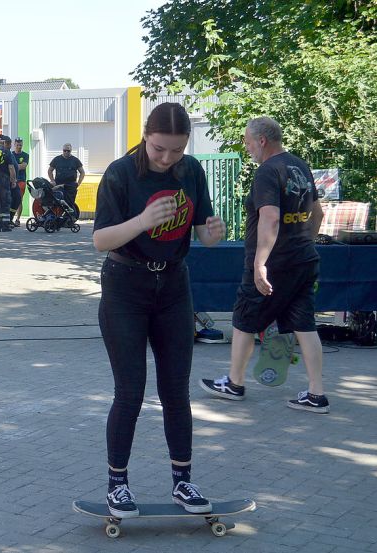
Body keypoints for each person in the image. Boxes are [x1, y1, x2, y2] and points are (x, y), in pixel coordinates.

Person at [92, 102, 226, 519]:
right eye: (158, 149)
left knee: (176, 392)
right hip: (125, 287)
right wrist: (144, 219)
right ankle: (117, 485)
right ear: (145, 136)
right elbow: (101, 240)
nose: (167, 159)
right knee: (130, 393)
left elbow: (202, 230)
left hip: (172, 287)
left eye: (176, 150)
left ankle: (183, 482)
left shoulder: (192, 172)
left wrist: (212, 232)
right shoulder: (120, 173)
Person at [200, 117, 328, 413]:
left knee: (244, 318)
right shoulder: (300, 165)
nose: (247, 148)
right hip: (304, 259)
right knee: (305, 324)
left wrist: (260, 264)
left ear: (261, 141)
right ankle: (316, 394)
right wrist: (301, 243)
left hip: (274, 264)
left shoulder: (267, 172)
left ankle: (234, 383)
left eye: (247, 142)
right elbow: (317, 214)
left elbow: (269, 218)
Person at [49, 143, 85, 215]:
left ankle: (69, 219)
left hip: (70, 185)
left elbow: (82, 172)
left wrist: (78, 183)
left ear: (71, 151)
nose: (66, 152)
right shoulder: (57, 159)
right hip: (58, 185)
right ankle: (57, 216)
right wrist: (52, 180)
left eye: (68, 151)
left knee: (69, 203)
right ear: (62, 150)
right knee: (58, 202)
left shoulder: (75, 160)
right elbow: (50, 170)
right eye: (64, 150)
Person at [11, 138, 30, 227]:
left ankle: (18, 219)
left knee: (19, 200)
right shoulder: (11, 154)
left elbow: (23, 166)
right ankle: (10, 218)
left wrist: (12, 166)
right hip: (11, 180)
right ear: (14, 144)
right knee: (10, 199)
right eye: (17, 145)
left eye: (20, 145)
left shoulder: (25, 155)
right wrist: (15, 166)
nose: (19, 147)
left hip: (21, 180)